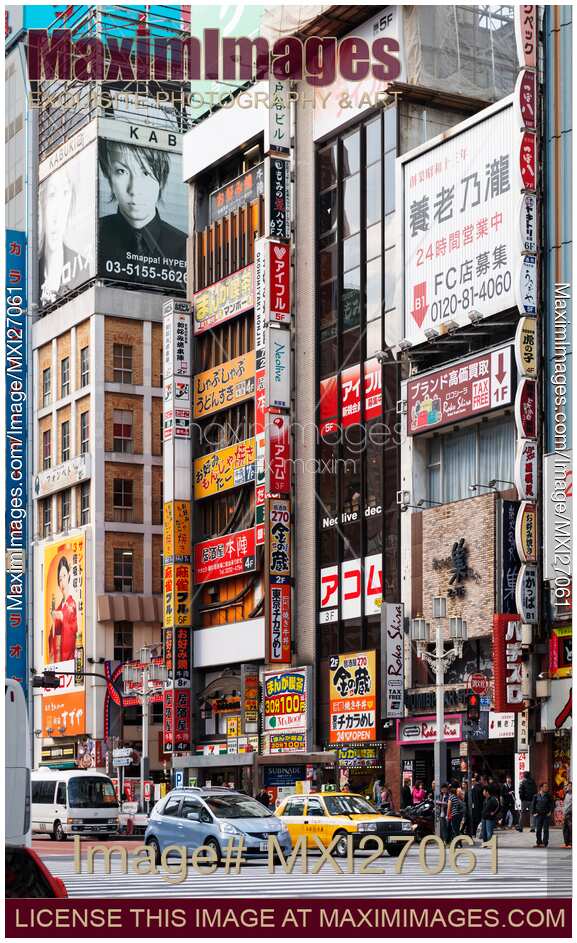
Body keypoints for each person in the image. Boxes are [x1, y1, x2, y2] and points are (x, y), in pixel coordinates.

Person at [98, 140, 186, 274]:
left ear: (161, 179)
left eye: (146, 173)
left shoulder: (185, 248)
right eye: (122, 171)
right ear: (108, 174)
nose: (134, 189)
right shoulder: (94, 238)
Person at [39, 166, 89, 307]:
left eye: (65, 193)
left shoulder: (83, 268)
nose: (58, 212)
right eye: (52, 195)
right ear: (41, 203)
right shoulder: (30, 271)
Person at [48, 556, 80, 662]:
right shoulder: (59, 607)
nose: (62, 582)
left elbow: (72, 625)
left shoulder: (72, 603)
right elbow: (52, 635)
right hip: (58, 658)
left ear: (69, 576)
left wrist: (60, 616)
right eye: (60, 579)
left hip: (67, 657)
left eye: (64, 576)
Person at [532, 782, 554, 848]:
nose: (547, 788)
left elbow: (552, 804)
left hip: (546, 815)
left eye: (547, 787)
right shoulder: (536, 796)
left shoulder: (549, 796)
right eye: (545, 787)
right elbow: (533, 805)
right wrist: (534, 813)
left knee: (545, 830)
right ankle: (539, 843)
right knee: (538, 829)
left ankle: (545, 843)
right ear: (541, 788)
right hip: (538, 815)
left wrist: (550, 811)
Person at [562, 782, 572, 848]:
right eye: (568, 786)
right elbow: (565, 805)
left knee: (570, 829)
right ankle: (566, 843)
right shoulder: (567, 794)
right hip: (565, 813)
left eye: (570, 786)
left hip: (570, 813)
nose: (568, 787)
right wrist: (564, 813)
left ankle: (571, 843)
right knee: (565, 829)